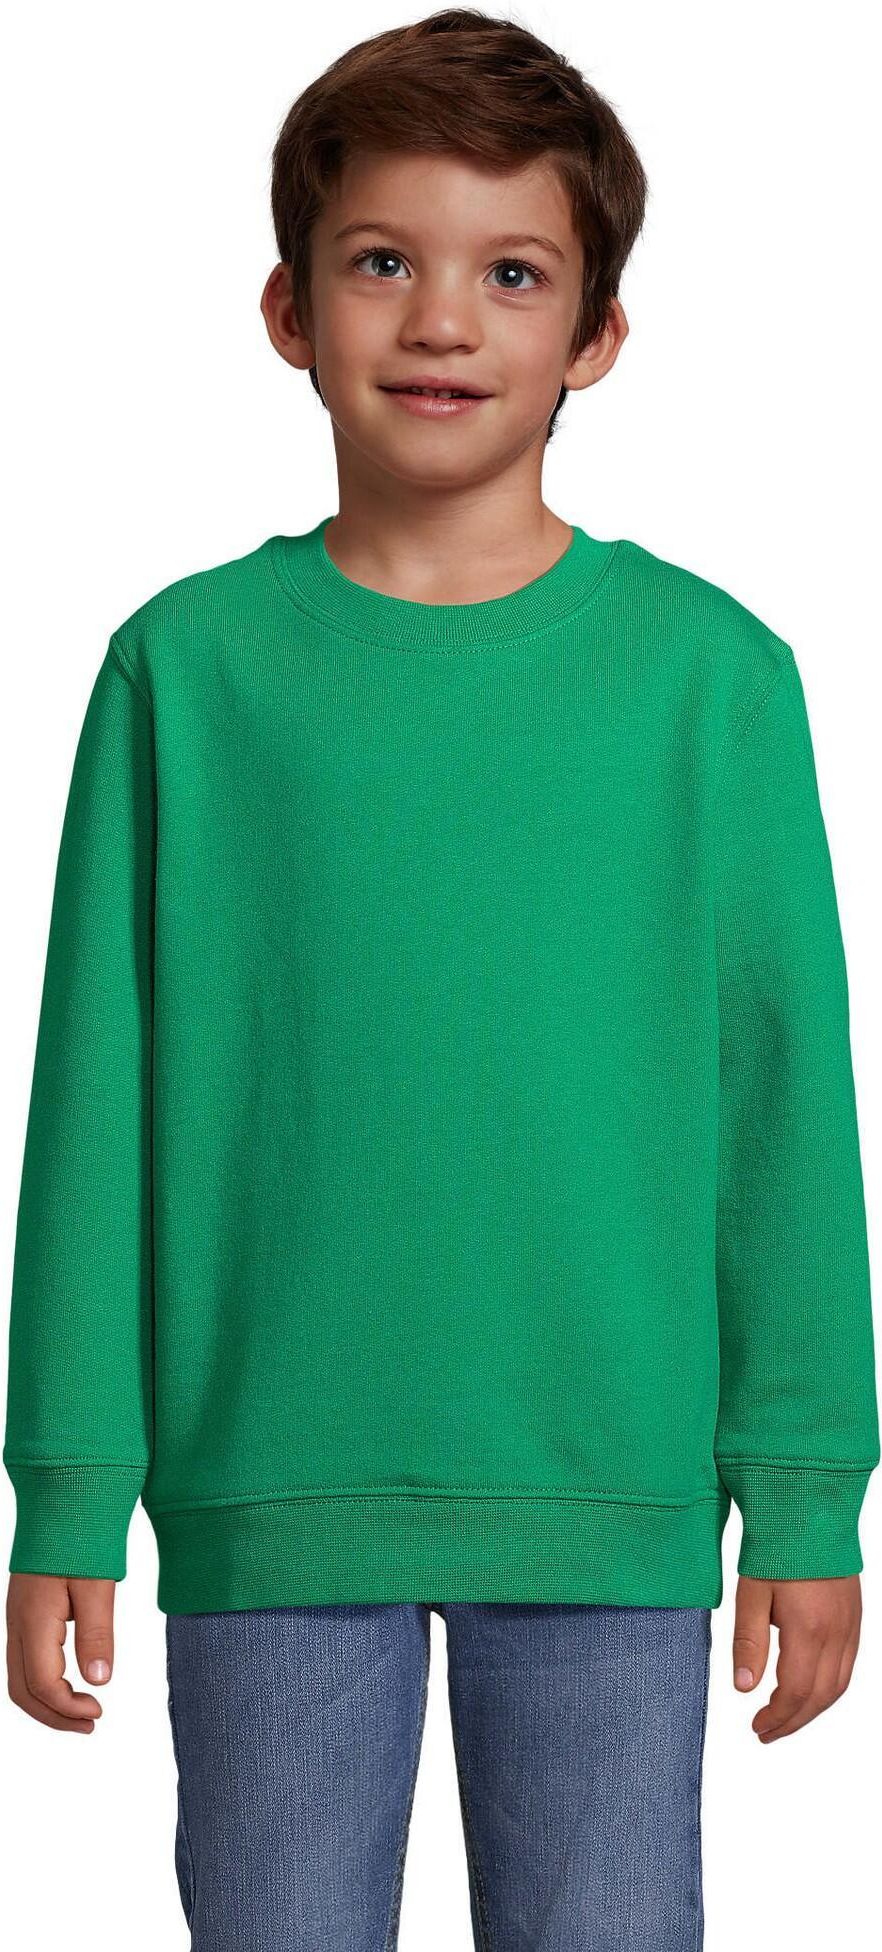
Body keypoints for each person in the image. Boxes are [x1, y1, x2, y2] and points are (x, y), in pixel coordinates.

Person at [3, 9, 879, 1949]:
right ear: (288, 308)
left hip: (608, 1482)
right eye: (383, 260)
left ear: (598, 334)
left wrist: (808, 1488)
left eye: (513, 274)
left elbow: (781, 1110)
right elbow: (96, 1101)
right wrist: (66, 1485)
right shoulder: (185, 674)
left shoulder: (711, 684)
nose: (442, 322)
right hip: (266, 1483)